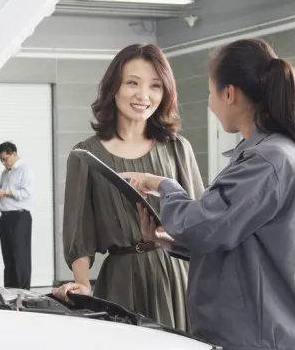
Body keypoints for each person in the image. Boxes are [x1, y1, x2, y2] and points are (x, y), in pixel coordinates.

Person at [125, 38, 295, 350]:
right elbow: (236, 240)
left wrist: (166, 187)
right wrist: (169, 239)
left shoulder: (268, 160)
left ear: (230, 93)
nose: (210, 103)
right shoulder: (260, 155)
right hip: (253, 343)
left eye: (209, 92)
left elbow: (206, 226)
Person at [53, 43, 203, 331]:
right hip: (120, 278)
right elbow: (78, 228)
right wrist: (82, 284)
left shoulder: (177, 148)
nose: (143, 96)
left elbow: (197, 220)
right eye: (132, 82)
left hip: (176, 276)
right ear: (114, 88)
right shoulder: (85, 154)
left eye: (155, 86)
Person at [0, 141, 33, 290]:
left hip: (20, 218)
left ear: (14, 154)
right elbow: (3, 189)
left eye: (5, 159)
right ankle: (10, 289)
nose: (4, 162)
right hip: (5, 217)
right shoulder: (5, 173)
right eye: (1, 160)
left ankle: (23, 290)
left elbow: (26, 193)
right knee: (8, 256)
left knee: (20, 255)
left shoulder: (24, 170)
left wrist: (6, 193)